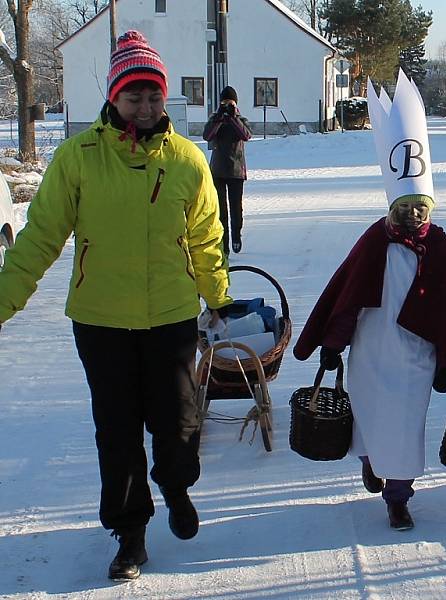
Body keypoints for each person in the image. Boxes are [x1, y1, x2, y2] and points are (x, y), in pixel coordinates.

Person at [0, 30, 233, 580]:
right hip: (102, 321)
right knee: (117, 429)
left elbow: (205, 235)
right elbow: (40, 238)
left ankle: (175, 488)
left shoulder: (186, 161)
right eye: (135, 96)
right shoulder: (77, 158)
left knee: (178, 420)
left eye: (154, 95)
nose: (147, 106)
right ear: (113, 97)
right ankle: (130, 533)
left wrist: (217, 295)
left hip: (172, 318)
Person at [293, 71, 446, 531]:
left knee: (404, 427)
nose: (414, 215)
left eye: (421, 207)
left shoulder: (437, 245)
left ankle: (399, 495)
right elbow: (348, 296)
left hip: (415, 355)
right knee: (369, 415)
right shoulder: (374, 241)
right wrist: (334, 342)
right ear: (392, 207)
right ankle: (372, 460)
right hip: (373, 348)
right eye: (406, 208)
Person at [203, 85, 252, 255]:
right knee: (220, 209)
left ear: (235, 104)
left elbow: (246, 135)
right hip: (217, 171)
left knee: (236, 208)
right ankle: (223, 242)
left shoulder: (241, 120)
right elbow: (207, 136)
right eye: (224, 103)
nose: (226, 106)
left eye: (229, 103)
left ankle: (236, 235)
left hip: (236, 171)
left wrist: (232, 118)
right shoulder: (215, 119)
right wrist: (219, 119)